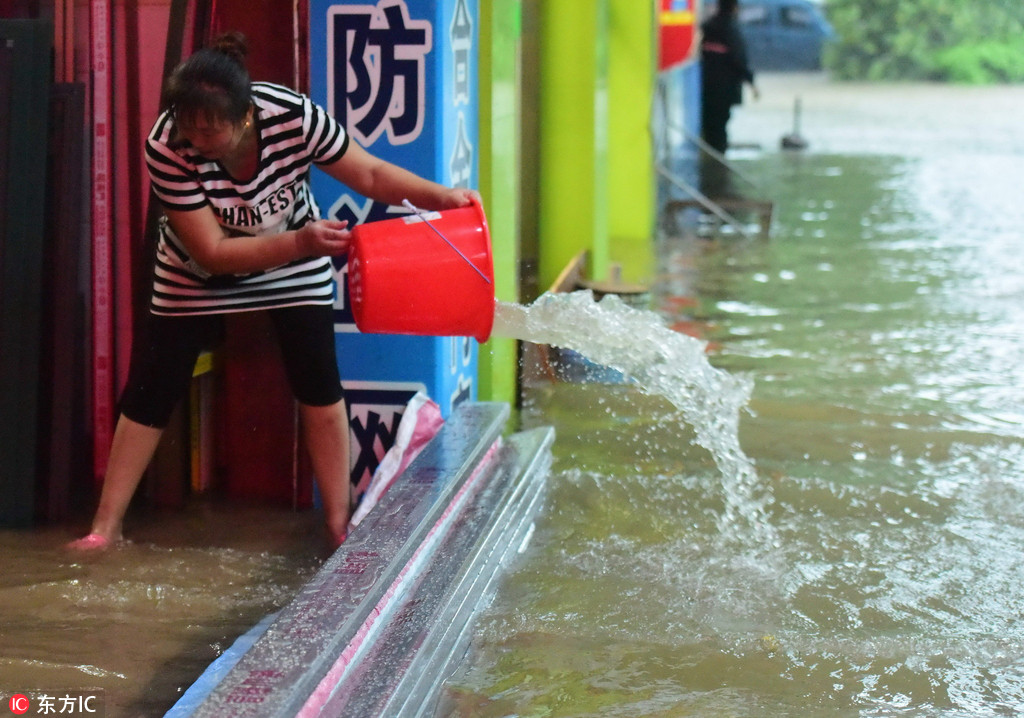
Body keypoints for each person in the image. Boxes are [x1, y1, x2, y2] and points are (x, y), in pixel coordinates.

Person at [67, 32, 478, 552]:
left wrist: (444, 197)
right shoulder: (166, 145)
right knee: (150, 387)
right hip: (198, 269)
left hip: (291, 253)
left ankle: (338, 522)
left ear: (245, 117)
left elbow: (370, 173)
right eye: (189, 130)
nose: (198, 143)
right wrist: (301, 242)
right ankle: (106, 527)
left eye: (210, 133)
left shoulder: (293, 116)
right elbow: (213, 251)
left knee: (319, 383)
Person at [699, 0, 759, 161]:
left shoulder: (707, 27)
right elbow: (739, 59)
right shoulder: (732, 29)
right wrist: (752, 83)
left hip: (705, 85)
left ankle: (711, 159)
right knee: (720, 126)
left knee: (709, 123)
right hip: (725, 87)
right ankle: (718, 162)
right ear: (734, 8)